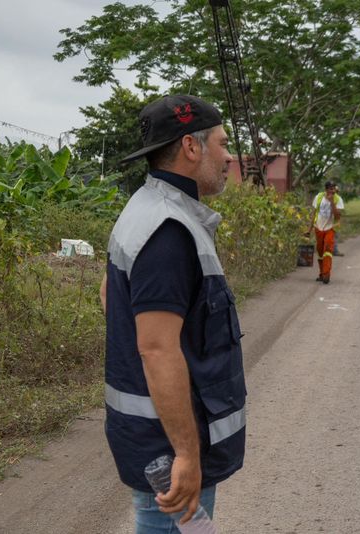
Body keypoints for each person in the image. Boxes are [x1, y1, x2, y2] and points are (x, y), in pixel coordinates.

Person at [99, 95, 246, 533]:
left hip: (156, 437)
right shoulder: (167, 229)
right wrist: (185, 453)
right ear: (191, 147)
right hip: (166, 449)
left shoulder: (147, 208)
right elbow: (157, 348)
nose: (228, 156)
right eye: (222, 144)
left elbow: (111, 297)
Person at [307, 180, 343, 283]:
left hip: (330, 228)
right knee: (320, 252)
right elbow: (314, 214)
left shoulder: (337, 199)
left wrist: (332, 202)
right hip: (318, 228)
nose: (332, 191)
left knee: (327, 250)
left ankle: (326, 275)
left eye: (333, 189)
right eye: (330, 189)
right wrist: (309, 230)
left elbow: (337, 216)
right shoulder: (318, 197)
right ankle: (322, 273)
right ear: (326, 189)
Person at [332, 184, 345, 257]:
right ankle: (334, 250)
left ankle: (332, 250)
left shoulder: (326, 197)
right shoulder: (338, 198)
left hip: (331, 220)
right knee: (334, 236)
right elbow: (339, 212)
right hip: (333, 220)